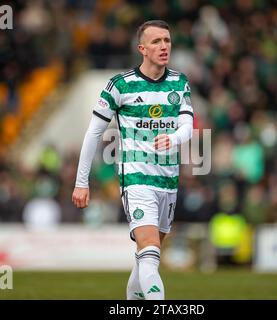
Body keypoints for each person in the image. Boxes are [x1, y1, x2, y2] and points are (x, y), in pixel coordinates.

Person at [72, 20, 194, 300]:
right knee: (149, 249)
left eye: (167, 40)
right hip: (136, 179)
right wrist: (82, 183)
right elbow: (93, 133)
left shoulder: (179, 82)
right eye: (156, 42)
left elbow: (187, 126)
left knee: (147, 256)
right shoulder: (120, 85)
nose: (163, 46)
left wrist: (173, 139)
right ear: (142, 48)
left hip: (168, 180)